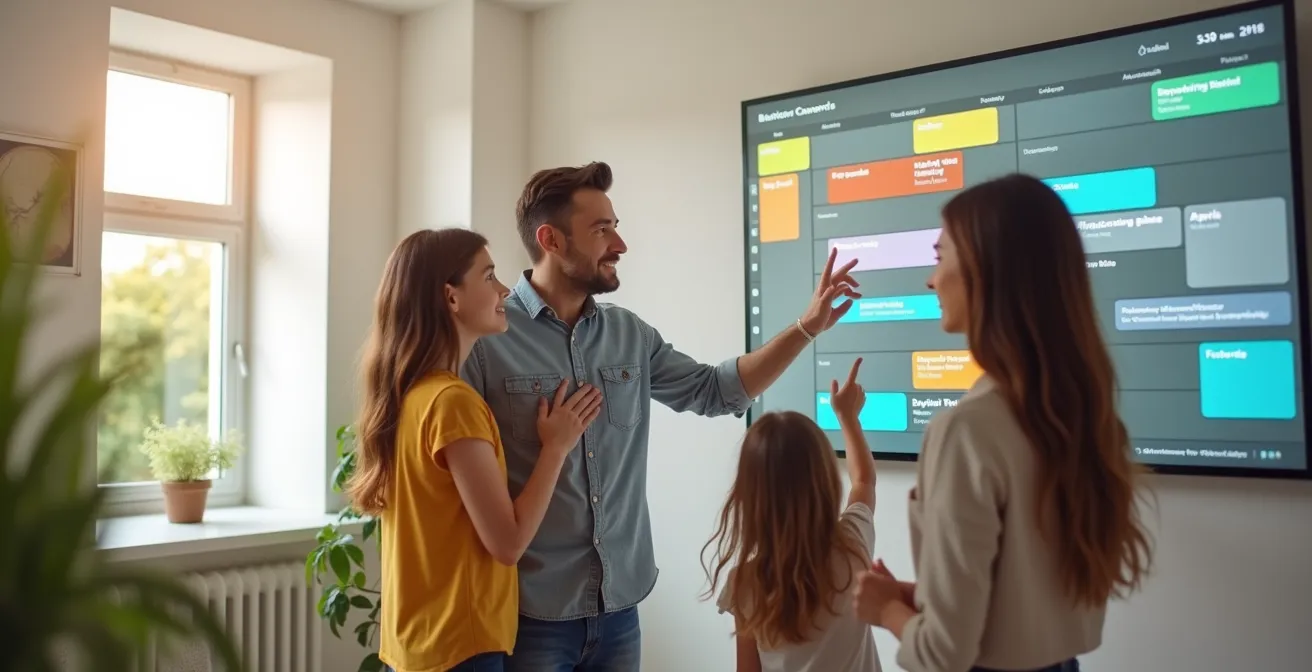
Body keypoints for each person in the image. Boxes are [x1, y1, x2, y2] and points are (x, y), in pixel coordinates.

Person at [460, 161, 860, 671]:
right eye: (601, 230)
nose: (620, 245)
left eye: (616, 227)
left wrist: (806, 328)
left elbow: (718, 391)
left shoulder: (630, 334)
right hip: (529, 614)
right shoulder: (487, 341)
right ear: (551, 240)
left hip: (620, 610)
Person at [850, 174, 1155, 672]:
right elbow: (1021, 604)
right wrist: (917, 598)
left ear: (984, 270)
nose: (931, 280)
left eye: (939, 255)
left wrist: (885, 610)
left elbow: (943, 656)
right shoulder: (1082, 415)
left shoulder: (968, 431)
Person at [346, 228, 605, 672]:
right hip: (459, 647)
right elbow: (508, 543)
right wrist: (556, 447)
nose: (504, 289)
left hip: (413, 644)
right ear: (451, 298)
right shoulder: (454, 404)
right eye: (488, 276)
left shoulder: (411, 396)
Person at [703, 358, 882, 672]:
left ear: (749, 497)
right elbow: (864, 480)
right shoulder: (853, 545)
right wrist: (847, 417)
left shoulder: (746, 583)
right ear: (825, 482)